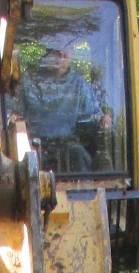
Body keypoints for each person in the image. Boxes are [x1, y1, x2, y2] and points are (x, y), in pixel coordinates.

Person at [19, 40, 112, 173]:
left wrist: (102, 120)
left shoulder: (79, 85)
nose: (61, 60)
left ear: (71, 57)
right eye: (57, 54)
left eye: (65, 55)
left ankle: (83, 186)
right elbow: (13, 113)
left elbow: (92, 116)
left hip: (67, 148)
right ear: (48, 54)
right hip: (33, 144)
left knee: (79, 154)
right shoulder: (29, 81)